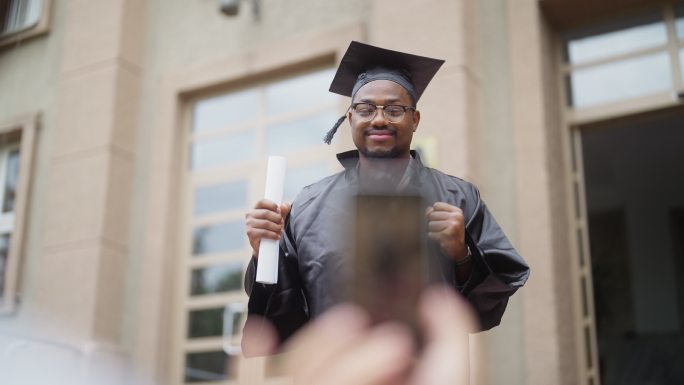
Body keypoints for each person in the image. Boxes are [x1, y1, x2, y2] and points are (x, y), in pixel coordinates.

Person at [243, 41, 530, 346]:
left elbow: (485, 309)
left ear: (415, 120)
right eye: (365, 109)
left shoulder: (457, 197)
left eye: (394, 109)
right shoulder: (307, 207)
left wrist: (462, 256)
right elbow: (284, 318)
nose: (379, 119)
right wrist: (264, 253)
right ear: (351, 119)